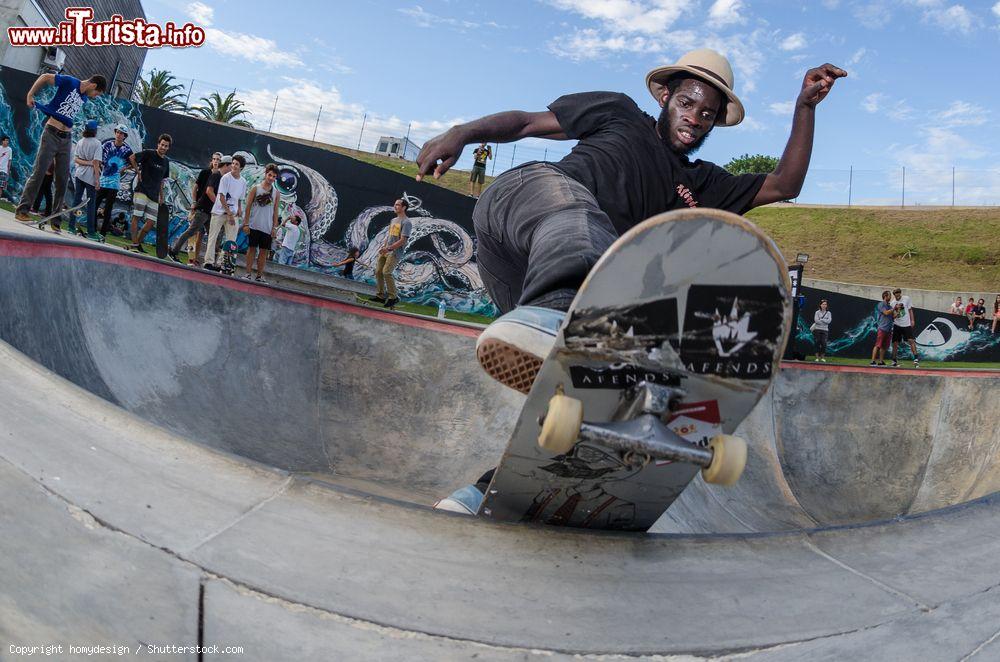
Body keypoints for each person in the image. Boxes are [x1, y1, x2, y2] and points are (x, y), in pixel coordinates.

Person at [415, 49, 846, 391]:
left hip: (533, 286)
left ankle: (500, 489)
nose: (694, 118)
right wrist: (462, 133)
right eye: (686, 103)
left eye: (706, 114)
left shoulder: (706, 185)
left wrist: (805, 107)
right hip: (524, 204)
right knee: (580, 217)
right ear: (665, 98)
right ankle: (560, 319)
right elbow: (527, 122)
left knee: (590, 385)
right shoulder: (618, 112)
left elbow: (784, 184)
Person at [13, 73, 107, 224]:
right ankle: (22, 210)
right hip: (51, 134)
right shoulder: (70, 82)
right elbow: (44, 77)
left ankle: (55, 219)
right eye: (97, 93)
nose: (95, 96)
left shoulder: (83, 98)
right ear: (94, 85)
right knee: (39, 172)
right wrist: (30, 94)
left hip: (66, 139)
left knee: (62, 179)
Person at [168, 152, 221, 265]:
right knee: (193, 231)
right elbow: (195, 188)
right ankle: (174, 250)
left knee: (210, 235)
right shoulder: (205, 172)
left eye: (218, 160)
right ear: (211, 161)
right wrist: (194, 202)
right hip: (201, 207)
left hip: (211, 211)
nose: (216, 161)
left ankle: (200, 260)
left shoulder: (220, 177)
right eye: (214, 159)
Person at [204, 154, 247, 271]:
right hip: (219, 212)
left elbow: (240, 198)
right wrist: (229, 213)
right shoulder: (225, 178)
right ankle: (208, 262)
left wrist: (239, 209)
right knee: (213, 237)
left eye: (236, 164)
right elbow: (221, 197)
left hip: (232, 214)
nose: (233, 166)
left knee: (231, 240)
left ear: (241, 167)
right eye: (233, 163)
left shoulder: (243, 181)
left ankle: (222, 263)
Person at [130, 134, 172, 252]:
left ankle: (136, 244)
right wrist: (138, 172)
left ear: (168, 148)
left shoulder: (166, 162)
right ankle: (134, 244)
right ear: (158, 144)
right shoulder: (149, 153)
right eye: (162, 144)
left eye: (166, 146)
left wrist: (161, 197)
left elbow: (162, 181)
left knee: (150, 223)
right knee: (136, 217)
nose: (163, 147)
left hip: (154, 195)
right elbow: (132, 157)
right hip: (142, 190)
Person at [241, 163, 281, 283]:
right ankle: (248, 273)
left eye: (274, 176)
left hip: (267, 228)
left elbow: (275, 211)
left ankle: (259, 275)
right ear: (265, 174)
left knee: (263, 252)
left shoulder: (276, 193)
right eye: (269, 175)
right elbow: (247, 207)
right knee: (251, 249)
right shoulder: (256, 188)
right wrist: (246, 224)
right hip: (254, 225)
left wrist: (274, 228)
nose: (271, 178)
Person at [97, 124, 137, 238]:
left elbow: (134, 163)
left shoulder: (127, 150)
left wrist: (124, 168)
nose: (119, 135)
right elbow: (98, 157)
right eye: (118, 132)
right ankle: (92, 228)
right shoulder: (107, 144)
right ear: (115, 133)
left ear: (125, 136)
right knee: (95, 204)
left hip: (114, 184)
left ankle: (103, 233)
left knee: (108, 209)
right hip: (103, 180)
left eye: (122, 133)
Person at [370, 198, 411, 308]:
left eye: (398, 205)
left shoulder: (406, 222)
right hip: (386, 250)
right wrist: (383, 247)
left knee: (386, 272)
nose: (395, 206)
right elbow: (389, 236)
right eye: (395, 204)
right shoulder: (393, 220)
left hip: (394, 252)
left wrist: (389, 249)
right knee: (378, 271)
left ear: (404, 208)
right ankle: (380, 296)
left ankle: (393, 297)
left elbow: (403, 240)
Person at [68, 119, 102, 238]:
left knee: (76, 201)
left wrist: (87, 163)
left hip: (79, 174)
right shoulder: (97, 144)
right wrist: (97, 180)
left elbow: (76, 159)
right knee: (91, 205)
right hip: (90, 177)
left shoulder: (81, 141)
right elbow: (96, 163)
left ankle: (71, 226)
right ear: (95, 130)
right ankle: (91, 232)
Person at [889, 287, 919, 368]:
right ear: (894, 295)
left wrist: (912, 320)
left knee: (911, 340)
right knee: (895, 343)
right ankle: (894, 361)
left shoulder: (906, 298)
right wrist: (897, 312)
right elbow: (893, 316)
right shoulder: (892, 303)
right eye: (896, 294)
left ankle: (916, 359)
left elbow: (910, 310)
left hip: (906, 324)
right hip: (897, 325)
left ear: (900, 293)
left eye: (899, 294)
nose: (898, 296)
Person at [870, 290, 895, 366]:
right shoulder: (881, 304)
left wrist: (899, 311)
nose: (890, 297)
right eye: (889, 295)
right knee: (878, 345)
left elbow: (893, 317)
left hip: (888, 329)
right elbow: (886, 313)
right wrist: (894, 309)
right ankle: (873, 361)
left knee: (884, 346)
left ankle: (881, 361)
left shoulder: (890, 306)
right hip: (882, 328)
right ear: (885, 296)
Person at [0, 136, 11, 202]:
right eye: (6, 140)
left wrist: (8, 171)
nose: (7, 142)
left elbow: (10, 161)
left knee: (1, 186)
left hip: (3, 170)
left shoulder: (9, 149)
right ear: (2, 141)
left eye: (8, 140)